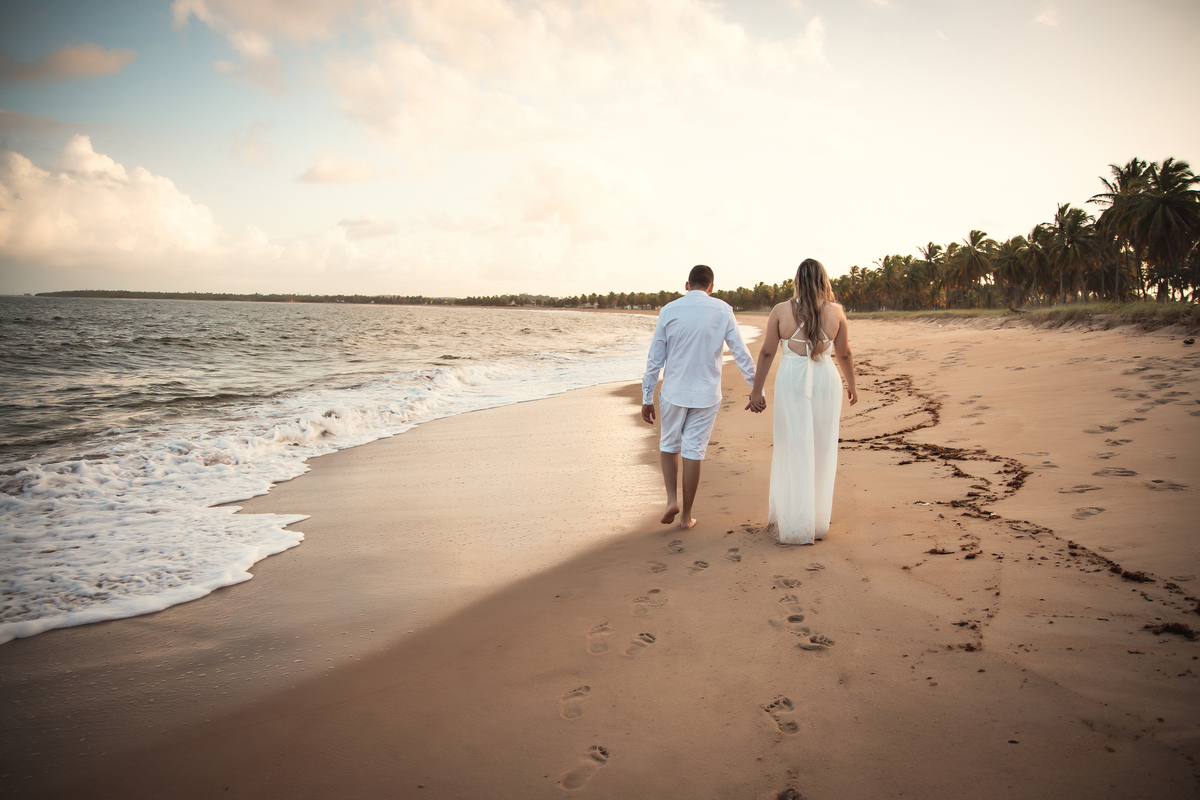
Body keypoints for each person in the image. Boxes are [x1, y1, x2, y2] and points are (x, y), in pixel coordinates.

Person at [747, 259, 858, 545]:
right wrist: (851, 385)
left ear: (797, 280)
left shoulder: (781, 310)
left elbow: (767, 353)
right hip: (826, 380)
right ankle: (816, 521)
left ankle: (796, 519)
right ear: (824, 280)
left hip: (793, 380)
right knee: (822, 446)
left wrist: (757, 391)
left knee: (793, 445)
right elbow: (844, 353)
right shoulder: (836, 312)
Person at [642, 265, 756, 530]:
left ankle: (672, 500)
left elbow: (655, 358)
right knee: (693, 450)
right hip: (706, 394)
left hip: (673, 391)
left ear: (687, 285)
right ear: (711, 287)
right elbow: (740, 352)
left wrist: (647, 396)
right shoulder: (723, 310)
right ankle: (686, 517)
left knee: (669, 444)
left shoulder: (668, 310)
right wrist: (755, 387)